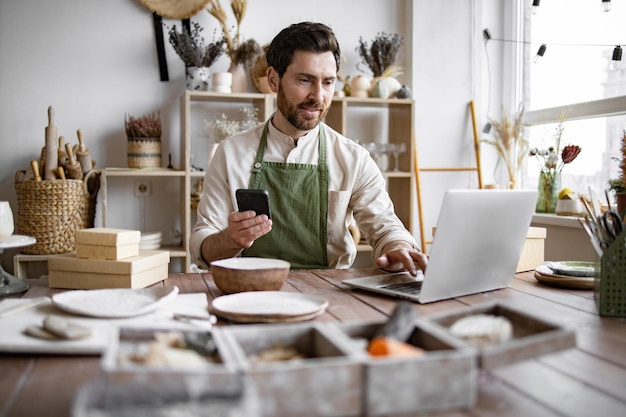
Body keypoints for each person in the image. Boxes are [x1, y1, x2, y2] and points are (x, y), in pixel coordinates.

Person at [190, 21, 427, 275]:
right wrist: (230, 239)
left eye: (328, 82)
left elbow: (385, 227)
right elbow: (201, 246)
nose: (318, 96)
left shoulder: (353, 158)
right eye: (305, 80)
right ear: (273, 79)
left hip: (330, 295)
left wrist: (398, 247)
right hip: (250, 291)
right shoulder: (231, 153)